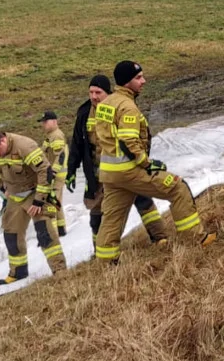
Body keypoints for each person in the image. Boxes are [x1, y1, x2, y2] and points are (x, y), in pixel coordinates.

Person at [94, 61, 216, 263]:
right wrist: (147, 164)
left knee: (112, 217)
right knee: (178, 188)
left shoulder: (105, 104)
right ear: (126, 82)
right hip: (129, 170)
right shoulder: (127, 107)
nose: (144, 81)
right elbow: (129, 141)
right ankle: (197, 239)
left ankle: (106, 261)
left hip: (110, 173)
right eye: (138, 78)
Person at [67, 75, 170, 243]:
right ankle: (100, 252)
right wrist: (71, 170)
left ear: (108, 93)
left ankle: (160, 238)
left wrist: (144, 161)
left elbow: (141, 136)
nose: (94, 96)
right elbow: (77, 143)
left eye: (98, 92)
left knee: (144, 203)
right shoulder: (84, 113)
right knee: (97, 215)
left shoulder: (122, 107)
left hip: (127, 168)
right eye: (91, 92)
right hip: (98, 174)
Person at [0, 130, 64, 284]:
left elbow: (44, 170)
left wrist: (39, 200)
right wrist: (2, 188)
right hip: (14, 196)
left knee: (44, 231)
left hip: (34, 192)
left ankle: (59, 270)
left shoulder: (25, 146)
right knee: (11, 234)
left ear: (3, 140)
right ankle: (18, 272)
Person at [38, 110, 69, 238]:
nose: (43, 124)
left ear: (54, 121)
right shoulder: (50, 136)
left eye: (46, 122)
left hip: (56, 176)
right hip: (55, 174)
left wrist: (53, 172)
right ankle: (61, 229)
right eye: (42, 122)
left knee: (50, 203)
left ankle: (53, 233)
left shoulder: (56, 136)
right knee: (56, 202)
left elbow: (60, 157)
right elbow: (43, 153)